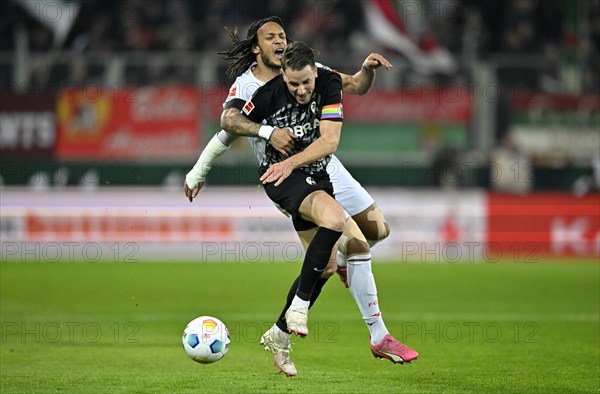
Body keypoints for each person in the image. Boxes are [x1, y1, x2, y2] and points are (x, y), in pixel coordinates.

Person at [184, 17, 418, 376]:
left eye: (282, 35)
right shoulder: (248, 86)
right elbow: (226, 128)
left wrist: (366, 71)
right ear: (256, 48)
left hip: (324, 164)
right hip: (285, 174)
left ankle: (287, 324)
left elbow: (355, 85)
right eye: (270, 37)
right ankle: (378, 334)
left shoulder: (310, 71)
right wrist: (202, 169)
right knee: (354, 244)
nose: (279, 40)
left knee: (378, 230)